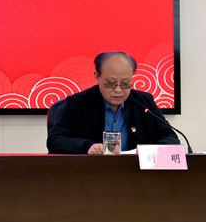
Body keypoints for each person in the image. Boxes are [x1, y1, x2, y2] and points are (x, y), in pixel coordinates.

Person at [47, 51, 179, 154]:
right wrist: (87, 147)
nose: (118, 90)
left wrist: (150, 152)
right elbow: (55, 140)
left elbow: (170, 137)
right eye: (110, 83)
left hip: (136, 174)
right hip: (91, 174)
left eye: (125, 84)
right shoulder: (78, 104)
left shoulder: (144, 103)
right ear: (97, 76)